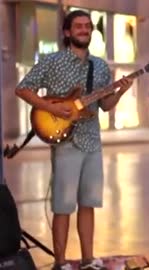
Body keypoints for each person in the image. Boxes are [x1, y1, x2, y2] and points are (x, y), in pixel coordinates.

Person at [15, 10, 133, 270]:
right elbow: (22, 88)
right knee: (63, 205)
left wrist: (121, 92)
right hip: (65, 142)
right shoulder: (52, 61)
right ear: (67, 32)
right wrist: (55, 109)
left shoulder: (100, 66)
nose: (84, 30)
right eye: (78, 26)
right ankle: (59, 262)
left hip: (93, 141)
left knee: (89, 204)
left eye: (88, 27)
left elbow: (105, 105)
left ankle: (89, 259)